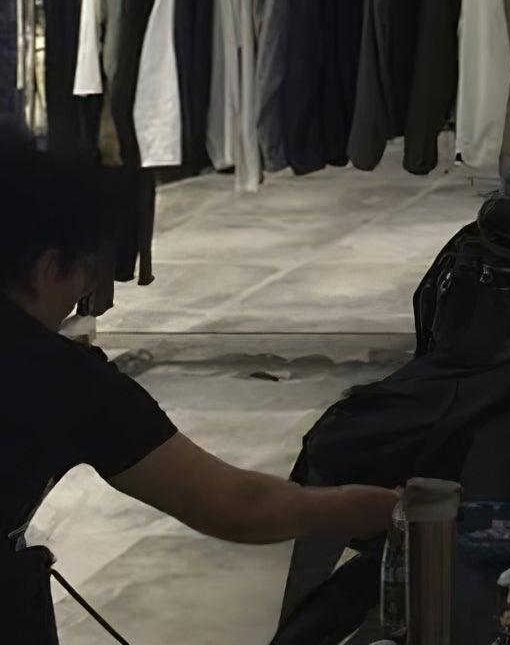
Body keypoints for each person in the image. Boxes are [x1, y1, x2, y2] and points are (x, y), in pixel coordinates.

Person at [1, 135, 398, 554]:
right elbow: (238, 507)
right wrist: (382, 507)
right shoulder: (66, 380)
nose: (80, 295)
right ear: (48, 268)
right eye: (85, 274)